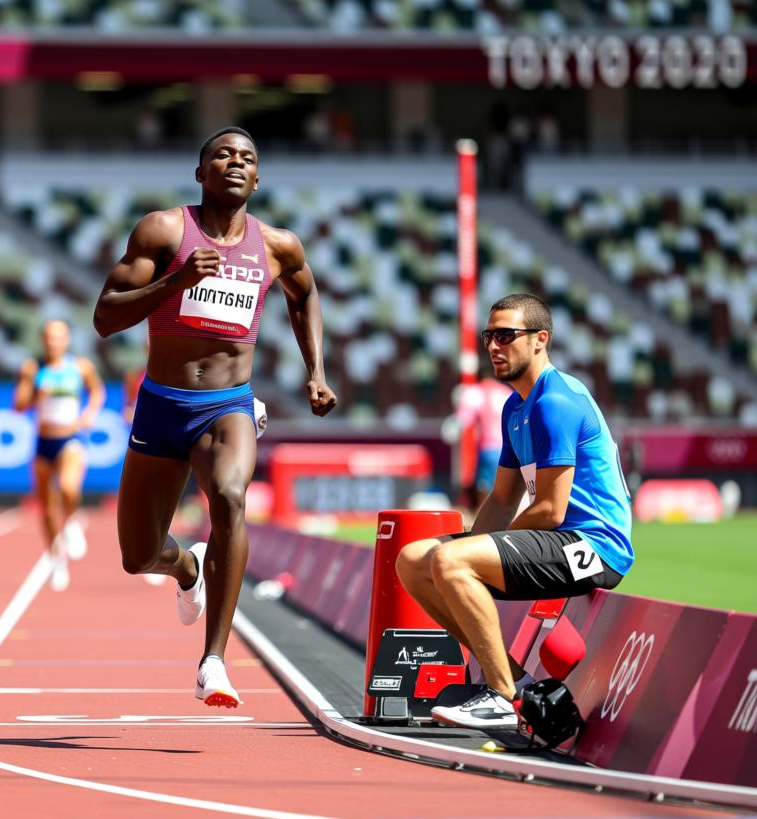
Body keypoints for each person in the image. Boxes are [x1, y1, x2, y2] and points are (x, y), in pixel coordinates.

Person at [94, 127, 338, 708]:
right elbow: (105, 317)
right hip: (162, 404)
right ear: (200, 173)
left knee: (229, 496)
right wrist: (177, 280)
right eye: (222, 155)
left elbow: (304, 296)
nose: (235, 162)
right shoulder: (163, 231)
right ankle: (188, 568)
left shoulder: (278, 246)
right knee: (137, 556)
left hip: (227, 404)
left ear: (257, 178)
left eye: (246, 157)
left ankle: (214, 662)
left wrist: (317, 371)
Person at [396, 293, 633, 730]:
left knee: (450, 561)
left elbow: (549, 510)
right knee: (413, 560)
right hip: (558, 539)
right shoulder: (515, 407)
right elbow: (504, 498)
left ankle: (502, 696)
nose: (493, 346)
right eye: (488, 336)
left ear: (540, 339)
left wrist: (463, 557)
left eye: (505, 336)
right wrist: (465, 552)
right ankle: (515, 681)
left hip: (595, 548)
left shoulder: (555, 402)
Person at [13, 319, 105, 591]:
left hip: (70, 438)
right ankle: (56, 558)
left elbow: (97, 391)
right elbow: (18, 405)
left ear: (67, 340)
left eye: (59, 337)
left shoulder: (80, 366)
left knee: (67, 487)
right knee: (47, 508)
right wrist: (35, 395)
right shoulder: (33, 368)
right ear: (43, 340)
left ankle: (73, 521)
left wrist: (89, 413)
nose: (54, 342)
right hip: (44, 442)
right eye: (49, 337)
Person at [452, 373, 512, 510]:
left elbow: (462, 420)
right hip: (509, 449)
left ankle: (484, 519)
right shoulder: (506, 392)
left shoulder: (476, 392)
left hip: (488, 450)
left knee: (484, 493)